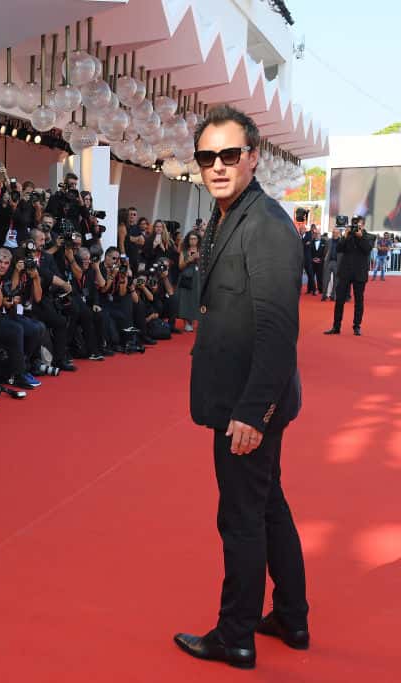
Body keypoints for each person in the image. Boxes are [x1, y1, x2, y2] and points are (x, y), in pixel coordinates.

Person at [175, 105, 307, 670]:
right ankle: (293, 616)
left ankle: (235, 636)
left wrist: (253, 413)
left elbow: (279, 330)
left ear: (253, 156)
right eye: (208, 157)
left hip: (248, 406)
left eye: (231, 155)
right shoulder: (230, 215)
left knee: (241, 517)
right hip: (240, 396)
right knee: (268, 504)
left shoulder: (267, 226)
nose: (219, 166)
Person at [325, 216, 374, 336]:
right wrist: (344, 236)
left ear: (363, 225)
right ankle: (336, 326)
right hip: (345, 272)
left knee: (359, 301)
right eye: (354, 224)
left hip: (359, 274)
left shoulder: (369, 237)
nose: (356, 226)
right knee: (339, 300)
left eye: (359, 224)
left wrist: (360, 237)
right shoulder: (348, 236)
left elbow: (367, 249)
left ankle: (357, 326)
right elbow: (339, 249)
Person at [176, 230, 202, 331]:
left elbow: (206, 265)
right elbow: (180, 266)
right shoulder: (184, 251)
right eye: (191, 239)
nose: (193, 241)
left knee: (196, 298)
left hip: (198, 277)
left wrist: (199, 259)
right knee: (185, 299)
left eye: (195, 239)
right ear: (188, 240)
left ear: (198, 240)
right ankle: (187, 322)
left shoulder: (202, 250)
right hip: (186, 277)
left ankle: (196, 320)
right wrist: (189, 260)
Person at [320, 227, 341, 301]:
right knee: (325, 279)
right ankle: (324, 295)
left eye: (336, 233)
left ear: (339, 234)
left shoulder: (341, 242)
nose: (334, 234)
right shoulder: (328, 241)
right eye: (333, 232)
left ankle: (333, 296)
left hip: (337, 263)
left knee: (336, 280)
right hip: (328, 262)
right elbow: (325, 251)